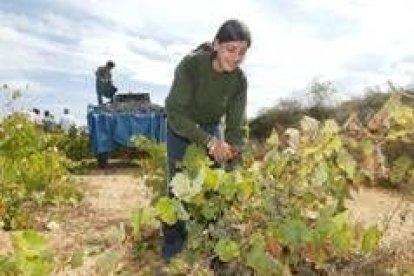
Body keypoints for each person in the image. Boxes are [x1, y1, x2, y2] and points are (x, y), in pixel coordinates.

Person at [162, 19, 252, 260]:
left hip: (212, 127)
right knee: (178, 187)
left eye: (242, 52)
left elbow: (235, 127)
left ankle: (212, 247)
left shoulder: (239, 81)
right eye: (230, 49)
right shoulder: (191, 66)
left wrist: (234, 160)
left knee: (214, 185)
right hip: (181, 126)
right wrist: (211, 143)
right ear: (216, 45)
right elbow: (174, 111)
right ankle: (173, 248)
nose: (236, 57)